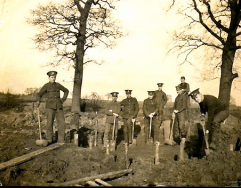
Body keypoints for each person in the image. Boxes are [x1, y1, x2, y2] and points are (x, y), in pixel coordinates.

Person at [36, 71, 69, 144]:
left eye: (54, 77)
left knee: (61, 123)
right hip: (50, 107)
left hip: (58, 106)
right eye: (51, 77)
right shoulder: (46, 86)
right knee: (49, 123)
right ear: (48, 78)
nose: (53, 79)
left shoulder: (58, 85)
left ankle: (61, 140)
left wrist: (62, 100)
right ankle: (49, 139)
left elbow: (66, 91)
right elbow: (39, 94)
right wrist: (38, 101)